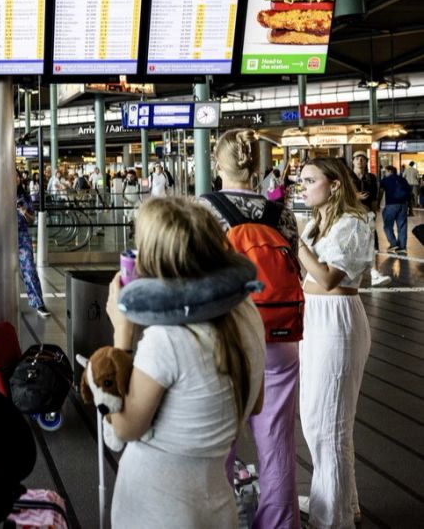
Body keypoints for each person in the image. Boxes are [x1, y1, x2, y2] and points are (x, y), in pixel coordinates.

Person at [104, 197, 265, 528]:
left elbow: (124, 428)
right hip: (217, 501)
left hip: (156, 506)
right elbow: (257, 402)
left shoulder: (167, 340)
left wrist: (121, 334)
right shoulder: (248, 313)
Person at [201, 128, 301, 529]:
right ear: (256, 167)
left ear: (217, 163)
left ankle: (220, 522)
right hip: (277, 336)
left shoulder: (204, 209)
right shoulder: (283, 213)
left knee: (218, 446)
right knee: (277, 442)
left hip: (224, 337)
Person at [295, 157, 374, 527]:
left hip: (336, 321)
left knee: (328, 424)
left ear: (335, 185)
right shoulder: (317, 223)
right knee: (319, 421)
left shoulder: (353, 223)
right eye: (301, 181)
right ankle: (343, 503)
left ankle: (333, 518)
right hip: (315, 321)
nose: (303, 187)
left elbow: (327, 278)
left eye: (310, 180)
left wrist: (295, 245)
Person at [352, 153, 390, 286]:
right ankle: (349, 274)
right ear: (353, 161)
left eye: (362, 159)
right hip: (351, 215)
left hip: (367, 214)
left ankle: (374, 274)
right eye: (357, 158)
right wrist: (355, 196)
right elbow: (340, 196)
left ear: (366, 161)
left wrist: (374, 213)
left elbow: (374, 198)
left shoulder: (371, 178)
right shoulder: (347, 177)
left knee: (371, 242)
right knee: (351, 243)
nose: (360, 161)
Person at [16, 173, 48, 318]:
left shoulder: (24, 197)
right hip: (1, 236)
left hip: (21, 235)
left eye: (16, 176)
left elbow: (32, 219)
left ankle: (38, 303)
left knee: (29, 267)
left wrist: (24, 212)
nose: (14, 178)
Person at [379, 165, 411, 254]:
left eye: (385, 171)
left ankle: (393, 244)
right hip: (403, 205)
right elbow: (409, 193)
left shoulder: (385, 180)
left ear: (389, 171)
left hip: (391, 205)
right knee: (402, 226)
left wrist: (377, 204)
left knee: (388, 226)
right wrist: (410, 208)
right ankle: (402, 246)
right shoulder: (402, 179)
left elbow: (381, 192)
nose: (384, 173)